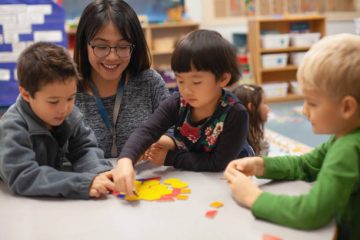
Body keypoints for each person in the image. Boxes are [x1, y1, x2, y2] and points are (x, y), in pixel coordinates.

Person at [224, 34, 360, 240]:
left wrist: (254, 197)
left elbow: (312, 212)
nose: (304, 111)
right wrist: (261, 165)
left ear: (347, 107)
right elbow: (307, 165)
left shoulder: (348, 149)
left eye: (312, 103)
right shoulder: (344, 135)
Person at [113, 29, 250, 195]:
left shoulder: (235, 113)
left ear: (223, 79)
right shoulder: (178, 102)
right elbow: (147, 130)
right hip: (194, 174)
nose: (186, 90)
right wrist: (126, 160)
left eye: (196, 82)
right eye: (180, 80)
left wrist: (169, 158)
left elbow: (218, 163)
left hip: (228, 180)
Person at [0, 42, 115, 199]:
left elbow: (85, 149)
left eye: (70, 97)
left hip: (52, 196)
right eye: (53, 101)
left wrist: (100, 174)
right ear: (26, 94)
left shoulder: (69, 114)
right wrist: (83, 183)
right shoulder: (12, 125)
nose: (64, 109)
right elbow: (23, 177)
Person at [74, 0, 170, 159]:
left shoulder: (149, 82)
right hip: (87, 182)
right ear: (84, 45)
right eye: (101, 46)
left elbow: (176, 130)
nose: (112, 57)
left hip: (144, 180)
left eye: (123, 47)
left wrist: (159, 142)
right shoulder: (65, 87)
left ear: (134, 46)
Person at [232, 84, 270, 156]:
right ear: (252, 107)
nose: (268, 109)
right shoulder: (241, 139)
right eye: (264, 103)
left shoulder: (251, 129)